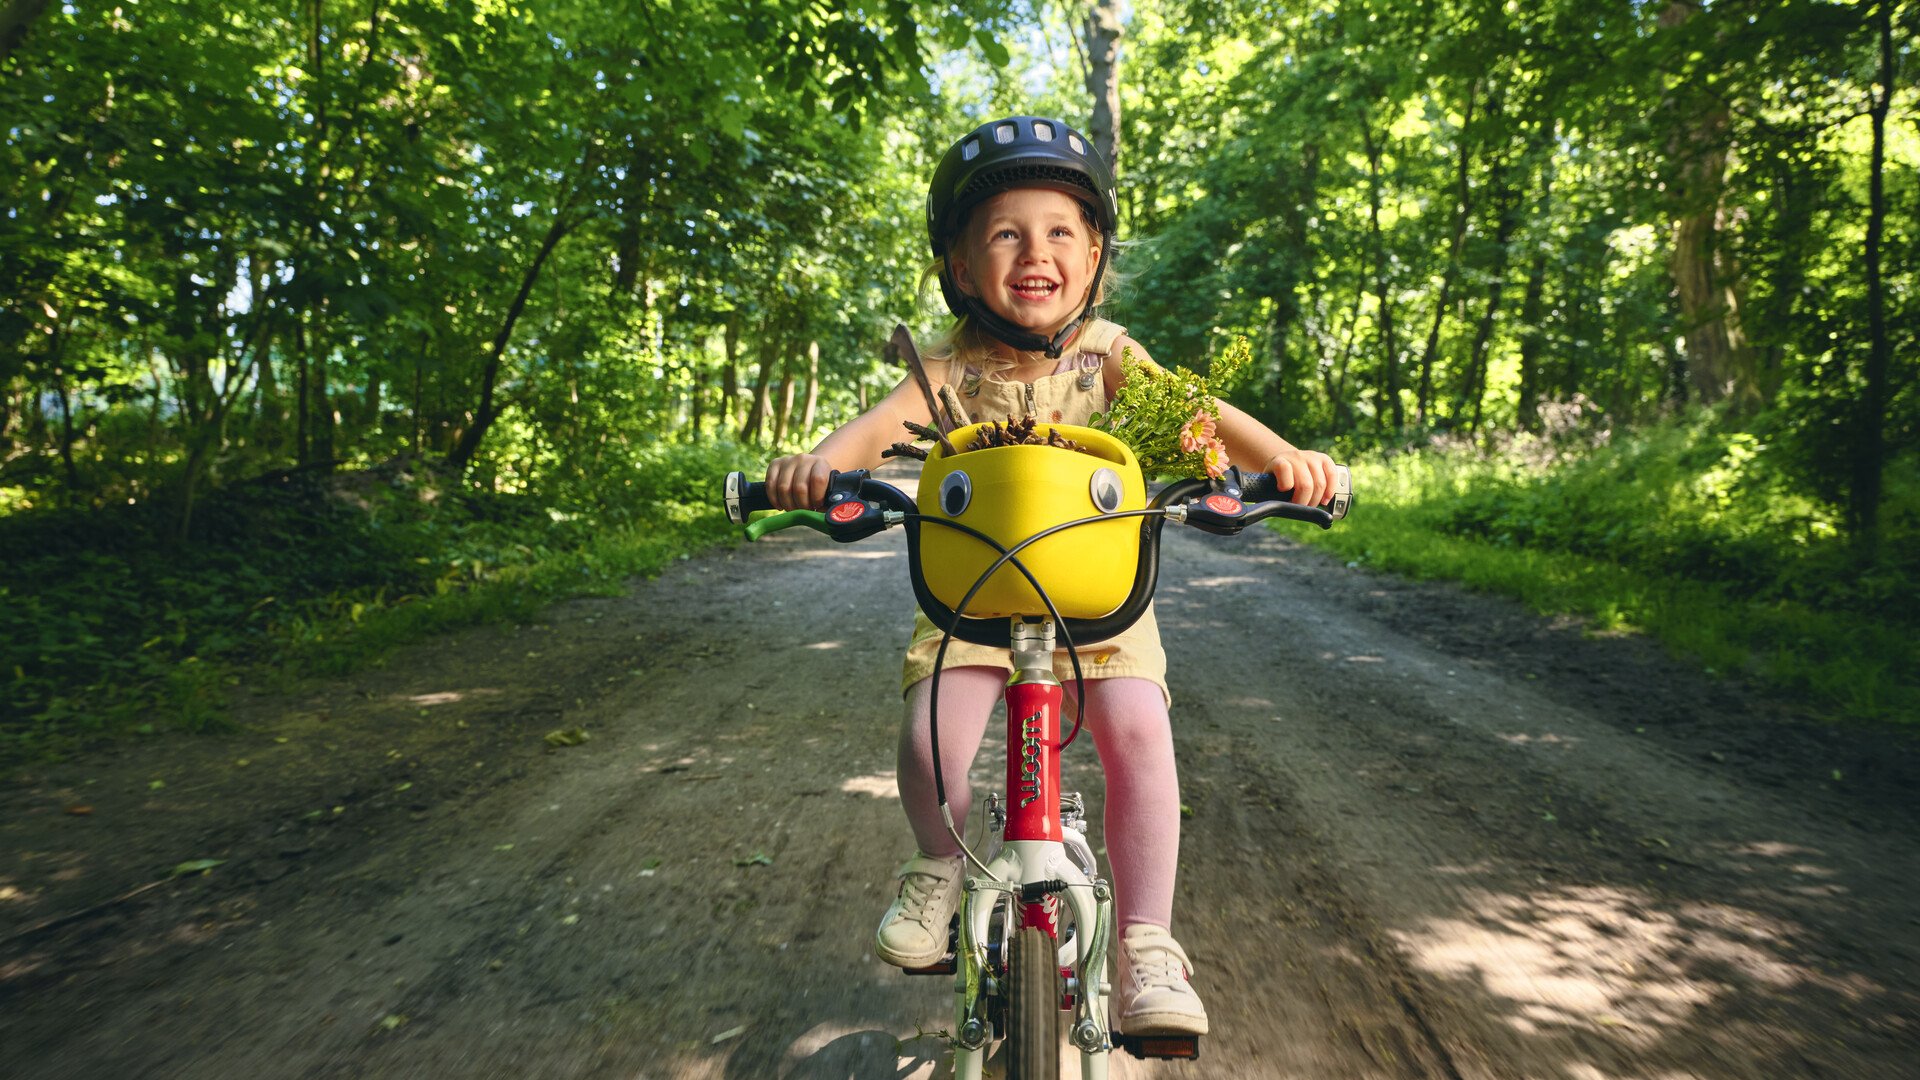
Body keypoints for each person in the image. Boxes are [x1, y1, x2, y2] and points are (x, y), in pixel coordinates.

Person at [764, 115, 1338, 1037]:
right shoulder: (942, 372)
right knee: (931, 740)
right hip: (971, 605)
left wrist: (1286, 458)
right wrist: (814, 468)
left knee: (1141, 738)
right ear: (960, 266)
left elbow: (1200, 415)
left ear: (1094, 253)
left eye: (1060, 231)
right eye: (1005, 232)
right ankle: (936, 868)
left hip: (1101, 602)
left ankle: (1148, 941)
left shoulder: (1107, 356)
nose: (1037, 251)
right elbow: (865, 437)